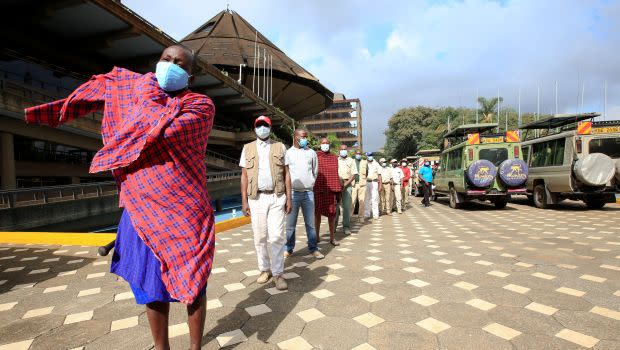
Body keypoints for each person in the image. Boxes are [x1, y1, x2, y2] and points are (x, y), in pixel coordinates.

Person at [25, 45, 214, 350]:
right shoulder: (135, 91)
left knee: (195, 279)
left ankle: (195, 348)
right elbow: (104, 88)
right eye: (166, 59)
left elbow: (158, 133)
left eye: (180, 63)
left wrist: (132, 99)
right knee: (151, 286)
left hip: (185, 210)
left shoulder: (200, 105)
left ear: (190, 75)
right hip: (142, 208)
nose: (171, 65)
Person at [240, 115, 292, 291]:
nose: (262, 128)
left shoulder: (279, 147)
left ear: (270, 128)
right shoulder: (247, 148)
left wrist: (289, 198)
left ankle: (278, 274)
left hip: (277, 197)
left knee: (277, 236)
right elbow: (244, 176)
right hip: (256, 198)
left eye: (265, 125)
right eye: (259, 125)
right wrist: (244, 201)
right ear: (255, 128)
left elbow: (286, 174)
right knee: (260, 237)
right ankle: (264, 269)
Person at [284, 129, 323, 259]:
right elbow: (285, 173)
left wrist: (310, 182)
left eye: (306, 137)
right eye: (302, 137)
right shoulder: (288, 153)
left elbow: (315, 171)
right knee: (290, 225)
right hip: (293, 194)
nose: (305, 139)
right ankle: (289, 248)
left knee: (310, 224)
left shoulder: (311, 153)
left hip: (308, 193)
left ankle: (313, 248)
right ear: (295, 137)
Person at [314, 139, 343, 246]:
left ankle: (332, 238)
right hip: (318, 188)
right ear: (320, 144)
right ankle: (316, 237)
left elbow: (335, 173)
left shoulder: (334, 158)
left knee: (331, 215)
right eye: (323, 143)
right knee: (317, 214)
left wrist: (338, 189)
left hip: (331, 190)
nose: (325, 145)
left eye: (327, 143)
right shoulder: (315, 156)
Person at [335, 144, 357, 235]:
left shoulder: (351, 160)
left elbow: (354, 174)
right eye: (342, 149)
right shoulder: (335, 160)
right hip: (336, 185)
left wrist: (345, 184)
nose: (343, 151)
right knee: (335, 207)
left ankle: (346, 227)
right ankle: (334, 226)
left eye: (345, 149)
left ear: (347, 150)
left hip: (347, 185)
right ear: (339, 150)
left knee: (346, 207)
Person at [364, 152, 382, 221]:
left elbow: (379, 175)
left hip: (374, 182)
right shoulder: (364, 163)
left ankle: (375, 215)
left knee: (374, 198)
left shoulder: (376, 164)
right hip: (366, 182)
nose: (370, 156)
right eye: (368, 155)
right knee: (367, 199)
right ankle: (367, 214)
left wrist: (380, 185)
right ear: (366, 156)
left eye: (371, 155)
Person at [351, 150, 368, 222]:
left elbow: (367, 172)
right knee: (352, 201)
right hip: (353, 184)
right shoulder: (351, 161)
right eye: (357, 154)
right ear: (355, 154)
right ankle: (349, 216)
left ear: (361, 155)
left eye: (359, 154)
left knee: (362, 201)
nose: (358, 155)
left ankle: (361, 217)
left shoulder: (365, 162)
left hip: (362, 184)